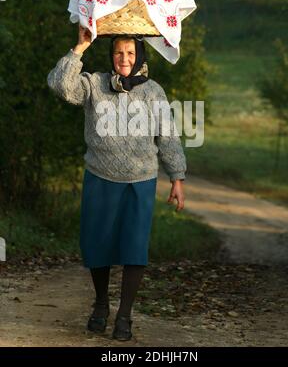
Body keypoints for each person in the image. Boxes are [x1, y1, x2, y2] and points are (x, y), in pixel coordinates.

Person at [47, 24, 186, 341]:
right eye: (119, 52)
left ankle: (124, 316)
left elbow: (168, 137)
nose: (124, 58)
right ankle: (100, 304)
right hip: (100, 177)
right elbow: (59, 85)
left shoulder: (153, 92)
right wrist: (79, 49)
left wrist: (177, 177)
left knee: (134, 249)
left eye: (130, 53)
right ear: (112, 56)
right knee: (98, 246)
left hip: (140, 182)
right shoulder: (95, 85)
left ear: (139, 57)